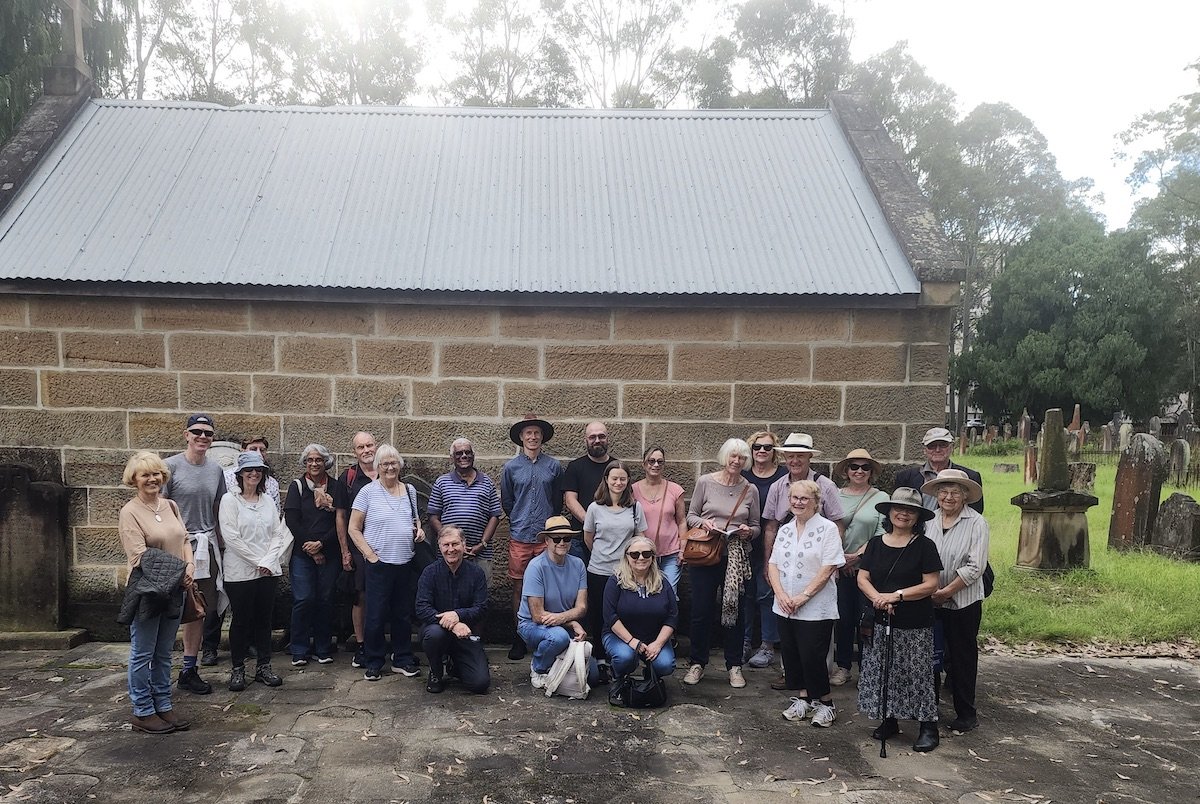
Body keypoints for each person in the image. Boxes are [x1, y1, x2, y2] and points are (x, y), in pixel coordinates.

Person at [857, 488, 943, 753]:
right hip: (881, 618)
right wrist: (878, 599)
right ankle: (890, 718)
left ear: (918, 516)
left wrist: (897, 596)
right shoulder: (876, 543)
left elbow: (931, 584)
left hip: (914, 622)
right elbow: (863, 577)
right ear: (889, 512)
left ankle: (928, 726)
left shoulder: (924, 546)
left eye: (911, 510)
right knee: (884, 670)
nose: (903, 514)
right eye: (899, 508)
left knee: (917, 674)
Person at [118, 451, 195, 734]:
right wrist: (180, 572)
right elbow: (139, 556)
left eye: (156, 474)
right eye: (145, 474)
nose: (152, 479)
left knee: (164, 652)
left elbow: (184, 539)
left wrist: (190, 567)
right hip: (148, 592)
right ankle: (142, 710)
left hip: (177, 589)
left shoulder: (171, 505)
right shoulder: (130, 512)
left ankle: (163, 705)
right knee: (142, 652)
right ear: (134, 479)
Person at [760, 433, 845, 687]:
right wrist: (768, 563)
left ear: (809, 457)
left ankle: (819, 684)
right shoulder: (778, 486)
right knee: (789, 626)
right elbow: (771, 527)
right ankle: (793, 678)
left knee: (816, 636)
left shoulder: (825, 486)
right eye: (790, 455)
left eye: (800, 455)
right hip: (785, 564)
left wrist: (829, 562)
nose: (795, 460)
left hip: (817, 565)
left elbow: (838, 525)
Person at [682, 438, 760, 689]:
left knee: (733, 612)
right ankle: (697, 663)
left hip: (734, 556)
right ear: (724, 457)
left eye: (741, 458)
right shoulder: (705, 482)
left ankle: (734, 666)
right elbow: (691, 516)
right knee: (701, 610)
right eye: (733, 456)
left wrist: (749, 531)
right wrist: (705, 524)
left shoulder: (750, 489)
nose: (736, 461)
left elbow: (757, 525)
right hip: (705, 553)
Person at [770, 480, 844, 728]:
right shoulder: (785, 530)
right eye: (794, 498)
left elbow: (829, 566)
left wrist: (804, 596)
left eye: (804, 499)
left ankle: (825, 703)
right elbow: (773, 564)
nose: (798, 503)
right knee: (791, 654)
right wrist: (780, 594)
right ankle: (802, 699)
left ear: (816, 502)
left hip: (815, 606)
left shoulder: (828, 529)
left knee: (813, 655)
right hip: (784, 604)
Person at [348, 444, 425, 681]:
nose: (390, 467)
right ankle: (374, 660)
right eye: (385, 463)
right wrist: (370, 556)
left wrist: (419, 531)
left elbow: (414, 520)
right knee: (376, 615)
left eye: (394, 463)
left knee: (402, 614)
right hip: (379, 563)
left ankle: (401, 658)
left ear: (400, 465)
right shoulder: (368, 492)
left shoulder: (409, 490)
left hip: (405, 562)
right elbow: (353, 528)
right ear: (377, 467)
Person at [162, 413, 227, 694]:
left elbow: (217, 510)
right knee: (167, 610)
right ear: (186, 434)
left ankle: (189, 668)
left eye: (208, 433)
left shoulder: (216, 471)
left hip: (205, 548)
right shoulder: (169, 467)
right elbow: (159, 508)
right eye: (197, 432)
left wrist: (221, 546)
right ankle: (159, 669)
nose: (202, 437)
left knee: (198, 609)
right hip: (175, 547)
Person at [923, 468, 990, 734]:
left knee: (962, 657)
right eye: (944, 492)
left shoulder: (976, 523)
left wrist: (946, 591)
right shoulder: (928, 522)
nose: (948, 497)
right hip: (928, 600)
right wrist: (929, 592)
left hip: (963, 601)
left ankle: (966, 713)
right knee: (931, 656)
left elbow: (976, 566)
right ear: (937, 495)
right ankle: (928, 709)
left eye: (955, 493)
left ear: (964, 497)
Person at [219, 451, 293, 691]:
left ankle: (264, 666)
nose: (254, 474)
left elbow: (277, 534)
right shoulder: (230, 501)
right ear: (240, 474)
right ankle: (238, 668)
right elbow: (231, 537)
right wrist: (256, 560)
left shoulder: (268, 501)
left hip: (267, 571)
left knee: (264, 620)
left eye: (258, 471)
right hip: (240, 571)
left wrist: (268, 560)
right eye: (249, 470)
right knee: (241, 620)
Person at [500, 414, 563, 660]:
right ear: (521, 437)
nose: (533, 437)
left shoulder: (553, 466)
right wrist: (518, 518)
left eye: (536, 433)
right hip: (520, 535)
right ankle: (519, 636)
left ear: (542, 437)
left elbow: (556, 501)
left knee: (547, 587)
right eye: (528, 433)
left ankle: (544, 635)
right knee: (520, 586)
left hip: (545, 537)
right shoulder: (511, 467)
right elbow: (507, 500)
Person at [830, 449, 889, 687]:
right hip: (839, 567)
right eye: (854, 467)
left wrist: (857, 557)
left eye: (865, 468)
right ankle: (843, 666)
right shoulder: (834, 495)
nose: (859, 471)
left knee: (867, 619)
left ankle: (868, 667)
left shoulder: (881, 497)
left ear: (871, 472)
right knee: (843, 619)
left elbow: (883, 531)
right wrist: (840, 559)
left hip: (868, 568)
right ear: (846, 471)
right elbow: (828, 526)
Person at [583, 460, 648, 665]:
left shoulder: (635, 508)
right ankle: (601, 658)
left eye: (622, 478)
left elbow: (640, 538)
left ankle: (621, 657)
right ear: (606, 480)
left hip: (626, 572)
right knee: (599, 615)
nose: (618, 482)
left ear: (628, 481)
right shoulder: (595, 508)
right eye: (614, 478)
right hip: (599, 570)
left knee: (623, 614)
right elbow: (588, 537)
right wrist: (604, 555)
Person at [415, 526, 491, 695]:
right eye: (446, 545)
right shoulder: (430, 573)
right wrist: (452, 624)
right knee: (434, 634)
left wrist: (458, 615)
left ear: (464, 545)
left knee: (480, 684)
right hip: (436, 631)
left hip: (466, 633)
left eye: (455, 544)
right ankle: (436, 671)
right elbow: (421, 608)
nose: (451, 549)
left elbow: (482, 607)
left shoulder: (476, 573)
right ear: (439, 546)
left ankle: (455, 664)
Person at [516, 517, 590, 689]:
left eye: (567, 538)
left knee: (590, 676)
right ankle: (539, 667)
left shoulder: (578, 564)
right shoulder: (536, 566)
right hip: (532, 626)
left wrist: (563, 620)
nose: (562, 542)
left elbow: (582, 607)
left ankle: (554, 662)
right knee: (558, 638)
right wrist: (571, 622)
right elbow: (537, 615)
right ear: (547, 541)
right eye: (557, 539)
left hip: (560, 624)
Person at [283, 444, 339, 667]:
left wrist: (322, 544)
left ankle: (323, 647)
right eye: (310, 460)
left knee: (325, 600)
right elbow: (292, 520)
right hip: (302, 554)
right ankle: (299, 648)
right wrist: (311, 547)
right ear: (305, 463)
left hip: (330, 551)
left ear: (326, 462)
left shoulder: (336, 487)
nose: (314, 464)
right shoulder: (297, 487)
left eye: (318, 460)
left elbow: (341, 520)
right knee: (303, 599)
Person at [602, 535, 677, 686]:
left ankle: (651, 673)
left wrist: (658, 644)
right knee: (625, 658)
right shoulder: (615, 581)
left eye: (646, 554)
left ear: (653, 557)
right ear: (627, 557)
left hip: (654, 637)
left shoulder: (663, 582)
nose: (641, 558)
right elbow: (610, 616)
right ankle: (619, 676)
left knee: (665, 664)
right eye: (635, 554)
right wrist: (632, 641)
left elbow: (672, 616)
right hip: (620, 636)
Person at [427, 437, 501, 587]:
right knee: (447, 593)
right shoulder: (442, 482)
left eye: (468, 452)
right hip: (449, 552)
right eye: (459, 453)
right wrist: (450, 542)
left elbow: (495, 516)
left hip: (479, 553)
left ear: (473, 455)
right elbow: (433, 516)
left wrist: (482, 544)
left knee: (480, 596)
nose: (464, 456)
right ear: (452, 458)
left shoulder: (486, 482)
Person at [741, 430, 787, 670]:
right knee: (745, 595)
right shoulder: (743, 475)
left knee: (767, 593)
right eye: (757, 447)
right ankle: (745, 642)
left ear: (774, 452)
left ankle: (768, 645)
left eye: (767, 447)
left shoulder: (783, 476)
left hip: (773, 544)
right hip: (744, 544)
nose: (761, 451)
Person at [334, 431, 377, 669]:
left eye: (369, 445)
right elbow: (340, 516)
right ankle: (361, 645)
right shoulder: (348, 478)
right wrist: (344, 551)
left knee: (381, 595)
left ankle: (378, 643)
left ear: (376, 446)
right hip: (358, 547)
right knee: (359, 596)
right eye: (360, 447)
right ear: (355, 452)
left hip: (385, 546)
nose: (366, 450)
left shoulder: (388, 471)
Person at [630, 446, 686, 592]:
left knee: (669, 592)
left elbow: (681, 521)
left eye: (660, 462)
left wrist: (683, 548)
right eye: (651, 461)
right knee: (645, 593)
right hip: (643, 554)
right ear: (644, 463)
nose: (655, 465)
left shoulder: (675, 490)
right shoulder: (632, 490)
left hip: (670, 554)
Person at [894, 427, 984, 514]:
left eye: (943, 445)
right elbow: (897, 509)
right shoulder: (905, 478)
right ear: (924, 450)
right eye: (931, 446)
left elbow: (975, 511)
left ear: (951, 447)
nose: (937, 450)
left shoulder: (970, 477)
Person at [560, 421, 615, 563]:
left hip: (611, 537)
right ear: (586, 440)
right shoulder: (575, 467)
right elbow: (570, 500)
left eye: (601, 436)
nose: (597, 440)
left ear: (608, 439)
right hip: (579, 538)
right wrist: (591, 523)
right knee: (580, 581)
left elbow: (625, 500)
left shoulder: (617, 468)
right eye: (592, 437)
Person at [223, 435, 280, 513]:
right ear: (243, 451)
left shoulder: (272, 483)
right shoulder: (226, 477)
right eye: (253, 449)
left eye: (262, 450)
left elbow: (276, 513)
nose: (259, 453)